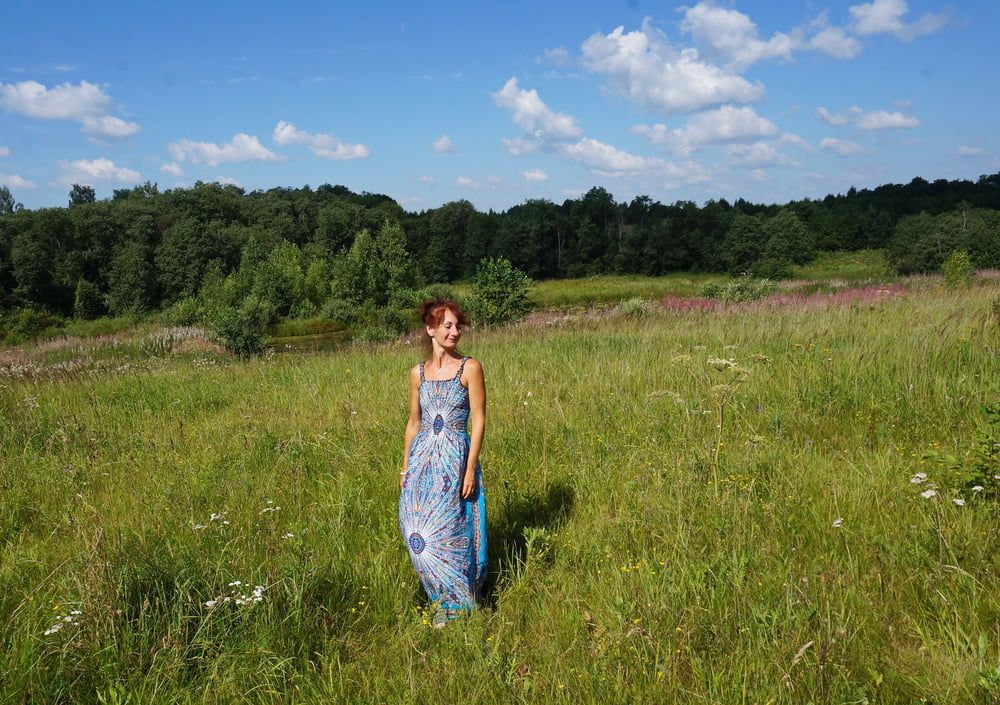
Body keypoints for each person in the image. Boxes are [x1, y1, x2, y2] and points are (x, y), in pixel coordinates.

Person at [398, 299, 487, 627]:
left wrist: (470, 467)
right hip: (422, 461)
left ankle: (457, 603)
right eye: (447, 325)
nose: (454, 331)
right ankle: (439, 592)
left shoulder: (470, 368)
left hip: (454, 459)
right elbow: (413, 423)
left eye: (457, 325)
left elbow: (479, 421)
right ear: (430, 329)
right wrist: (405, 467)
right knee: (417, 532)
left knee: (452, 527)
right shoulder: (417, 373)